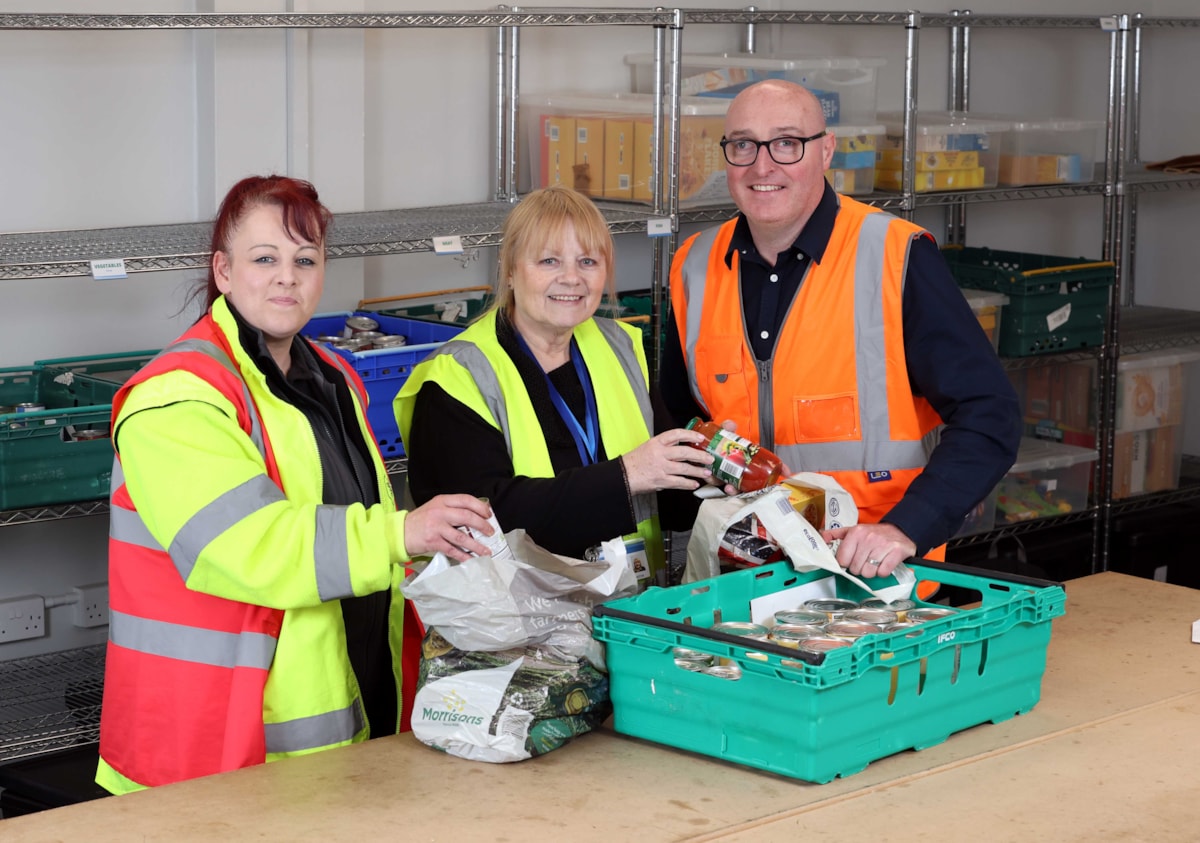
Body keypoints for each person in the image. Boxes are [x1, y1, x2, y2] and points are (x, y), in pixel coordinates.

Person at [98, 175, 498, 795]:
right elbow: (252, 543)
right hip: (212, 747)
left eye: (305, 260)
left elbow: (346, 526)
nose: (287, 276)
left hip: (337, 722)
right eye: (265, 258)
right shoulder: (177, 398)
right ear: (223, 271)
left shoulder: (333, 377)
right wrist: (403, 532)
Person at [660, 79, 1022, 583]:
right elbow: (681, 421)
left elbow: (991, 415)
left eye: (787, 143)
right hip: (742, 578)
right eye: (743, 144)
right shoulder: (693, 265)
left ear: (825, 150)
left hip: (875, 581)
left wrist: (905, 528)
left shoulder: (894, 255)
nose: (762, 166)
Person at [395, 185, 714, 587]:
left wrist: (708, 469)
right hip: (512, 627)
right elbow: (482, 525)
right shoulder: (458, 376)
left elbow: (669, 501)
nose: (571, 278)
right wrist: (627, 475)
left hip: (626, 611)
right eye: (549, 260)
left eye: (588, 261)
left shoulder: (620, 347)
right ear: (510, 270)